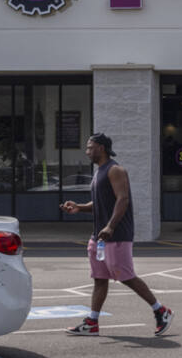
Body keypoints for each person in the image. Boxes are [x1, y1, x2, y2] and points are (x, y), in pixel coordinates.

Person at [61, 133, 172, 337]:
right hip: (99, 237)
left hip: (117, 235)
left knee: (126, 277)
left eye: (90, 147)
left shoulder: (115, 170)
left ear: (101, 148)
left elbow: (123, 200)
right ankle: (92, 322)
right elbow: (102, 203)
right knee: (100, 279)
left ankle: (161, 311)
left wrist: (111, 226)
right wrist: (80, 207)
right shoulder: (99, 172)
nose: (87, 152)